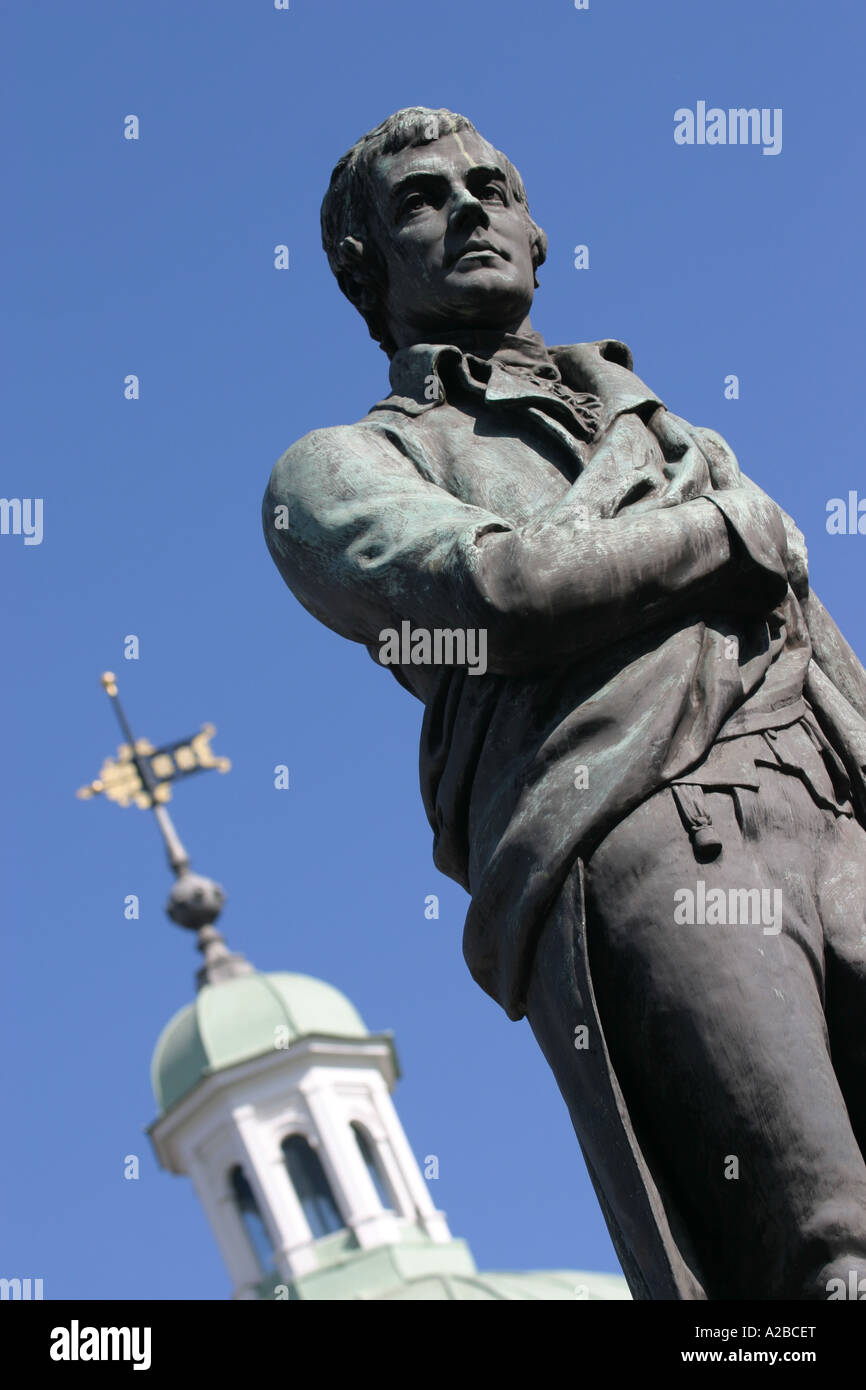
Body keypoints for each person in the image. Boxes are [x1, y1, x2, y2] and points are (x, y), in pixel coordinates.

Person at [262, 107, 866, 1300]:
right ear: (361, 267)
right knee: (820, 1246)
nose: (470, 208)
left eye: (490, 186)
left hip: (830, 803)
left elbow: (821, 648)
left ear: (538, 234)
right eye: (423, 200)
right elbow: (494, 589)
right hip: (645, 836)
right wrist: (720, 527)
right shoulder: (334, 469)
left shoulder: (669, 427)